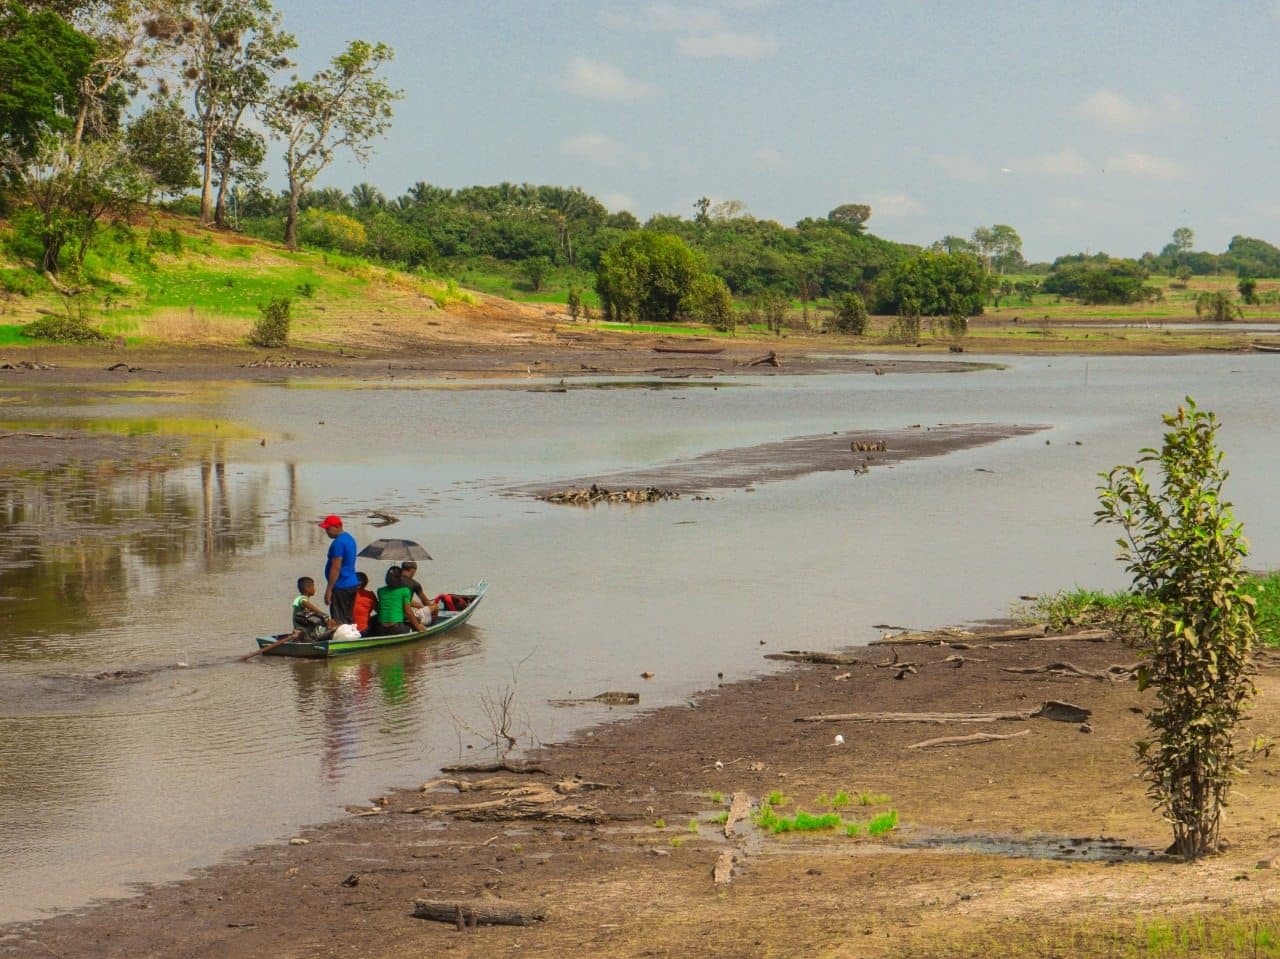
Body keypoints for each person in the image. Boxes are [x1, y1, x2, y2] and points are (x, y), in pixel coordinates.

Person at [318, 514, 359, 624]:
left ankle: (344, 639)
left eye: (328, 528)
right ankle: (351, 636)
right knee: (348, 616)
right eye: (325, 529)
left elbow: (336, 567)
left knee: (339, 619)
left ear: (338, 526)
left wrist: (329, 589)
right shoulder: (349, 538)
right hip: (351, 583)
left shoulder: (338, 543)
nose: (326, 531)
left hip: (341, 586)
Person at [376, 565, 424, 636]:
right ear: (400, 578)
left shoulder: (380, 591)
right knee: (418, 621)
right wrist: (418, 626)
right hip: (396, 628)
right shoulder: (405, 591)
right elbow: (408, 612)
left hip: (381, 628)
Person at [291, 576, 336, 641]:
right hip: (300, 629)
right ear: (307, 588)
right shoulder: (300, 599)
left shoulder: (304, 599)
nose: (314, 589)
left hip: (305, 628)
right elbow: (305, 603)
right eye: (313, 586)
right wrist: (324, 615)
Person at [352, 571, 379, 637]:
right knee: (378, 617)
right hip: (363, 629)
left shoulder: (346, 594)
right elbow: (378, 610)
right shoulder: (369, 595)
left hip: (349, 629)